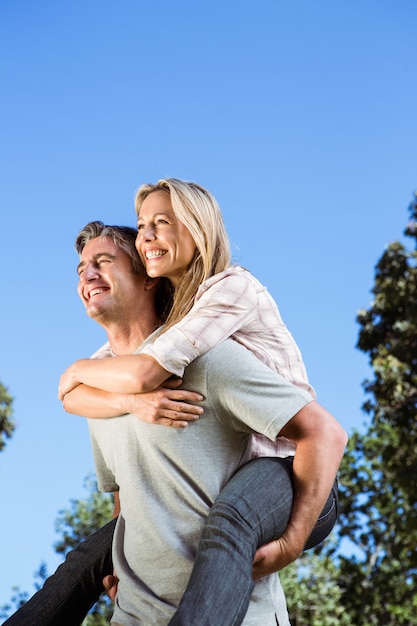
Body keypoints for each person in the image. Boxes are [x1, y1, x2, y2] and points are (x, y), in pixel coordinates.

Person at [62, 220, 346, 625]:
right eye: (81, 268)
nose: (87, 275)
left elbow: (324, 433)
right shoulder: (100, 386)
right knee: (72, 572)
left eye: (103, 262)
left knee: (234, 520)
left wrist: (291, 542)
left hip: (243, 615)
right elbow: (125, 491)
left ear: (147, 276)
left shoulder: (207, 358)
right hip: (134, 616)